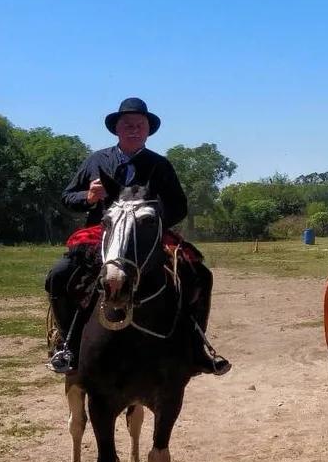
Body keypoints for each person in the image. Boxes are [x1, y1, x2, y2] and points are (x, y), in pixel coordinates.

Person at [45, 97, 230, 376]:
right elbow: (67, 197)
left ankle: (197, 347)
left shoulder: (160, 165)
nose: (134, 129)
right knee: (59, 274)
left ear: (147, 130)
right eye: (128, 125)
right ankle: (67, 344)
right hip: (101, 233)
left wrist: (150, 223)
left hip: (147, 236)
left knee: (200, 275)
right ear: (117, 129)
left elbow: (179, 205)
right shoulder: (96, 161)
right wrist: (89, 196)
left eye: (139, 125)